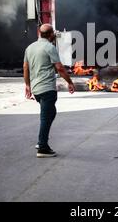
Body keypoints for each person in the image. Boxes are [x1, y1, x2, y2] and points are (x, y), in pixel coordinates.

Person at [24, 23, 75, 158]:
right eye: (53, 33)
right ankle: (43, 147)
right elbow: (60, 68)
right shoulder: (49, 47)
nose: (54, 35)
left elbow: (25, 68)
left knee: (51, 112)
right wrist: (69, 82)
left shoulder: (30, 48)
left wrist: (28, 85)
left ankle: (42, 139)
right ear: (51, 34)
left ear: (39, 33)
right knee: (46, 117)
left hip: (37, 89)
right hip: (47, 88)